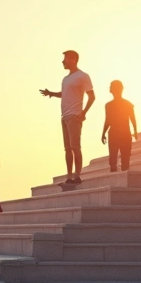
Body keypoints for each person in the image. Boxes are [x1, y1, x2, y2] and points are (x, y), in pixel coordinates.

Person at [39, 50, 95, 185]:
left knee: (75, 147)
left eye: (66, 59)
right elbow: (64, 94)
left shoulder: (83, 76)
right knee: (67, 149)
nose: (63, 62)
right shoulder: (65, 79)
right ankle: (69, 177)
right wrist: (51, 93)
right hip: (64, 116)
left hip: (75, 115)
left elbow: (92, 96)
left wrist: (83, 112)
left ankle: (77, 176)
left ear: (73, 59)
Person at [101, 80, 138, 173]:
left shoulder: (113, 105)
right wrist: (103, 133)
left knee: (121, 159)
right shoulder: (111, 105)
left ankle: (120, 176)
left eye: (111, 86)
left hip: (120, 133)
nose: (109, 88)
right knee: (116, 159)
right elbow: (108, 120)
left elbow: (132, 118)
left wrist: (135, 130)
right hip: (119, 133)